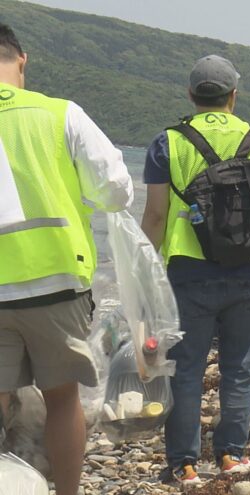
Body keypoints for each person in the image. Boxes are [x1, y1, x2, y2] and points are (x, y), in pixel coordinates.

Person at [140, 55, 250, 485]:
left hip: (189, 269)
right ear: (233, 96)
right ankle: (230, 455)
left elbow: (154, 215)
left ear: (191, 94)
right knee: (241, 366)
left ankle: (184, 463)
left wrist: (144, 271)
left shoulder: (168, 141)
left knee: (185, 368)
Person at [0, 23, 133, 495]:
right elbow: (116, 190)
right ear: (23, 60)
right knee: (62, 399)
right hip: (56, 283)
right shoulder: (61, 114)